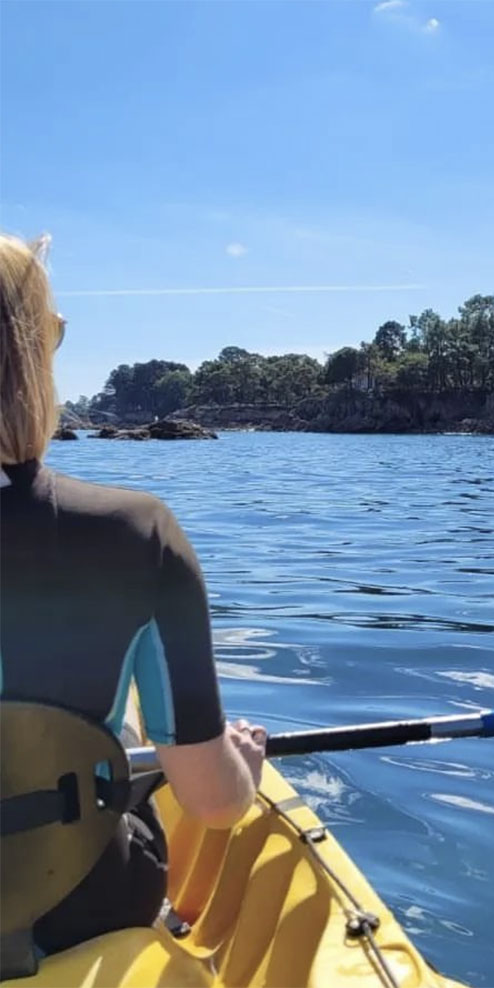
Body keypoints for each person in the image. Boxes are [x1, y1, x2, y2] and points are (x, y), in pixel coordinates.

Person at [0, 232, 267, 953]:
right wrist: (242, 768)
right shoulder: (136, 534)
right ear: (30, 359)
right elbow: (211, 805)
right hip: (77, 907)